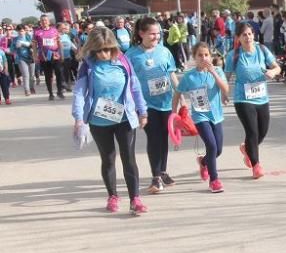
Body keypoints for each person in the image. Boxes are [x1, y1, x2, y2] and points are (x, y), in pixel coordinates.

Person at [71, 26, 149, 216]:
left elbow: (135, 87)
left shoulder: (123, 61)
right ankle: (113, 195)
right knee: (108, 159)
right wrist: (79, 119)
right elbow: (79, 93)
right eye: (98, 50)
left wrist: (142, 111)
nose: (103, 53)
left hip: (124, 118)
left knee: (128, 158)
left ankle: (135, 199)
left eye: (107, 49)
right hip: (99, 121)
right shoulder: (88, 66)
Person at [125, 17, 180, 194]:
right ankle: (155, 177)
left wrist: (181, 98)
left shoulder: (164, 52)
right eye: (152, 34)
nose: (156, 37)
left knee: (164, 138)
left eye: (158, 33)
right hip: (146, 105)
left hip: (166, 102)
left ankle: (162, 172)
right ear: (141, 33)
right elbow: (126, 81)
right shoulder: (131, 55)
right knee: (154, 138)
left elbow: (172, 75)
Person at [225, 21, 280, 179]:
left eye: (250, 34)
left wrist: (273, 72)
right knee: (252, 132)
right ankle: (256, 165)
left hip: (262, 97)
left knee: (262, 132)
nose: (248, 37)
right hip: (243, 99)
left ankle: (247, 148)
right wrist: (223, 93)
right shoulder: (233, 55)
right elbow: (226, 77)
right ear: (238, 38)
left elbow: (277, 67)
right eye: (244, 35)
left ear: (253, 35)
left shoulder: (262, 50)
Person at [175, 42, 229, 193]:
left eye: (206, 55)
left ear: (210, 56)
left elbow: (225, 89)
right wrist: (175, 114)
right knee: (211, 146)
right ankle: (214, 180)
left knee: (218, 150)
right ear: (194, 57)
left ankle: (204, 162)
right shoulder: (190, 76)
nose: (203, 58)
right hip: (200, 117)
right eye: (200, 55)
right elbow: (178, 92)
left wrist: (213, 72)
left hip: (216, 116)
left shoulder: (217, 70)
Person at [33, 15, 65, 100]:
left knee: (59, 73)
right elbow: (34, 45)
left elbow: (59, 43)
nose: (44, 22)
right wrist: (35, 56)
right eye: (42, 20)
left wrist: (62, 54)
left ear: (49, 21)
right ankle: (51, 93)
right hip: (44, 57)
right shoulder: (37, 32)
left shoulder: (54, 30)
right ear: (40, 22)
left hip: (55, 55)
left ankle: (60, 91)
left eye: (46, 20)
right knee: (48, 76)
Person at [13, 25, 34, 97]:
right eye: (19, 31)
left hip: (31, 57)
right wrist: (15, 47)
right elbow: (12, 49)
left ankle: (32, 88)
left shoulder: (29, 37)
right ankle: (27, 90)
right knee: (25, 75)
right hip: (20, 58)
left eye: (22, 31)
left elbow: (34, 45)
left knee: (31, 75)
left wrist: (25, 44)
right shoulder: (15, 39)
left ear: (25, 31)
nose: (21, 32)